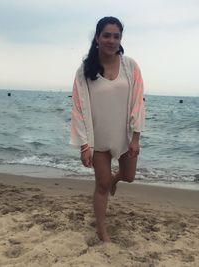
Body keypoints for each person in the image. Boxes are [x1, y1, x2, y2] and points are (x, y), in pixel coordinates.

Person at [70, 16, 145, 242]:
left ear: (120, 39)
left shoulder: (130, 66)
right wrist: (84, 144)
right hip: (98, 138)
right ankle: (102, 231)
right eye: (106, 35)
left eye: (116, 36)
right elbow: (78, 108)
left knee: (129, 176)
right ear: (97, 38)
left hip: (124, 136)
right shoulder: (85, 70)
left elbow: (138, 102)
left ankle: (115, 178)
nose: (111, 40)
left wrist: (136, 138)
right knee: (101, 185)